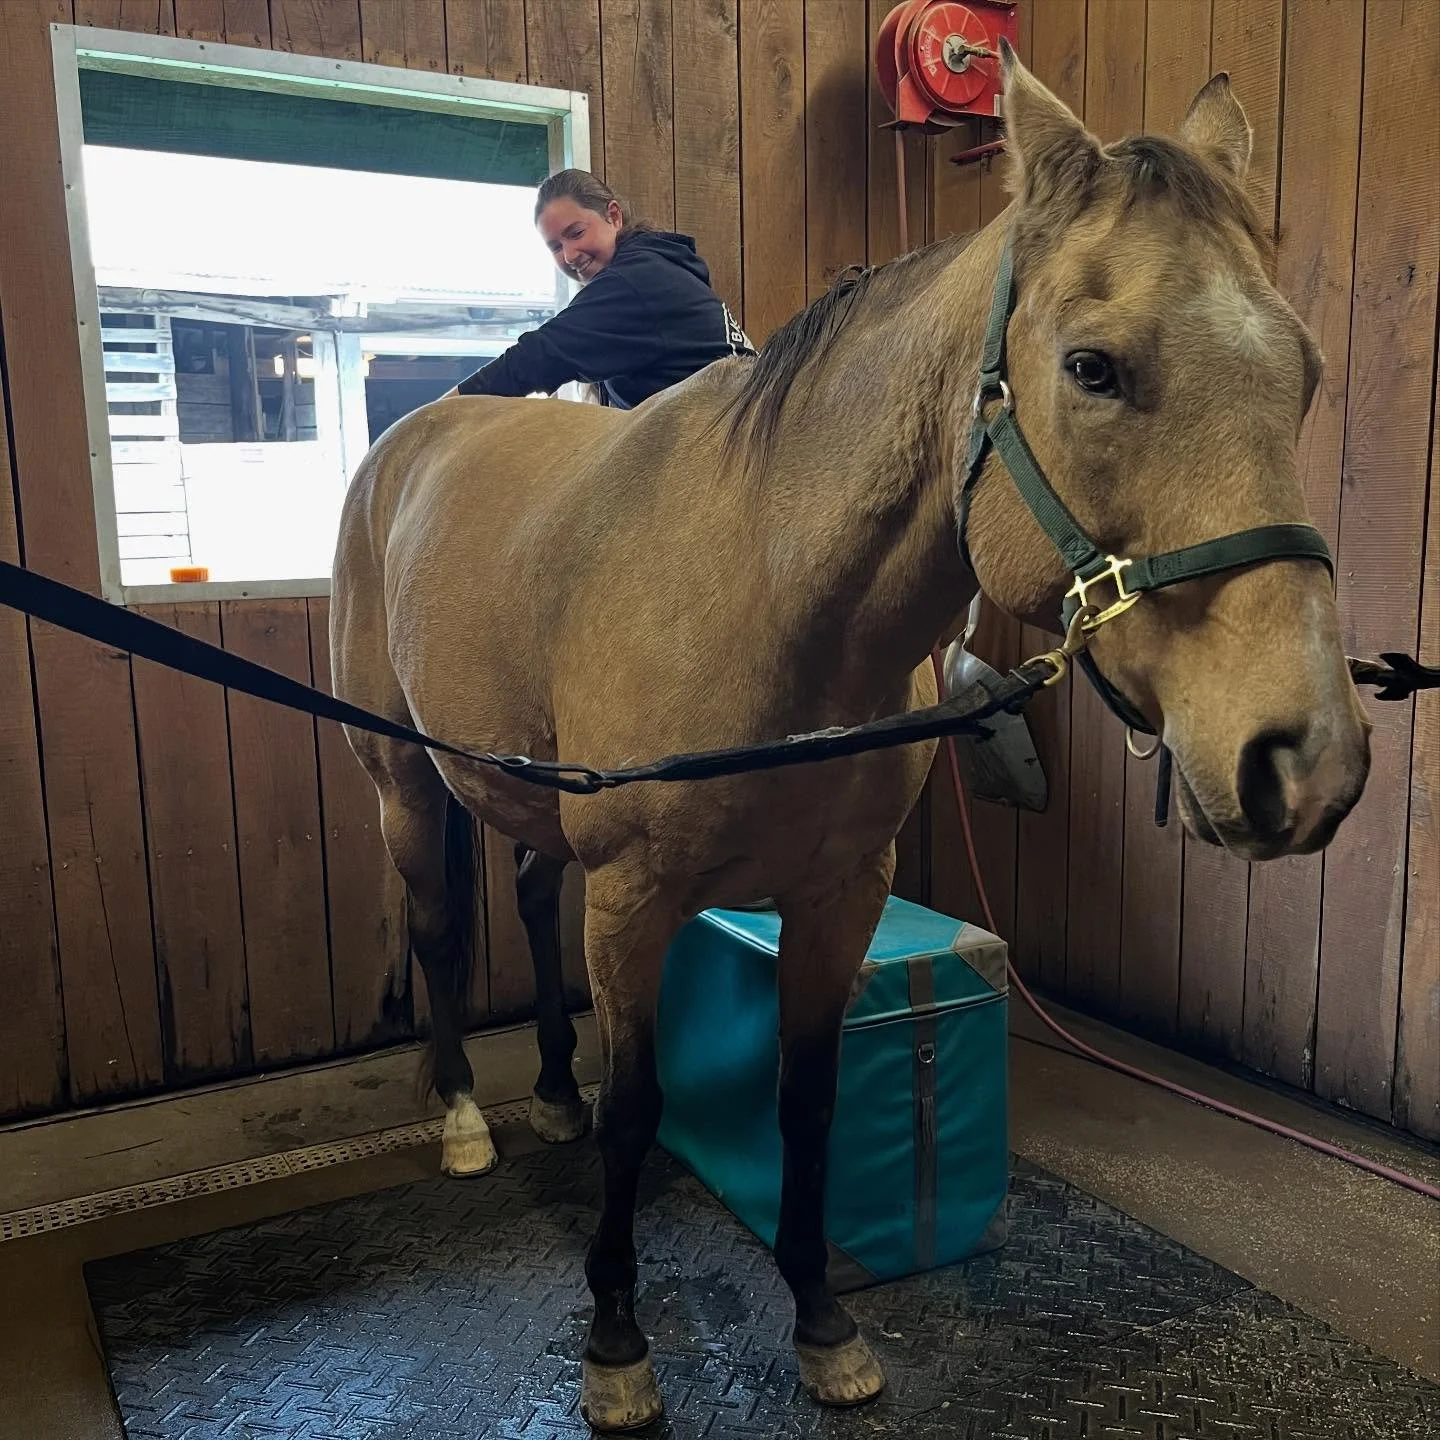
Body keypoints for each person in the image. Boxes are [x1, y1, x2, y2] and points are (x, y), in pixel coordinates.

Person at [449, 169, 754, 409]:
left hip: (722, 458)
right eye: (555, 246)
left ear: (614, 216)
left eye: (576, 233)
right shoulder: (656, 266)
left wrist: (438, 415)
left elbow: (535, 357)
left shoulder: (637, 281)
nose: (569, 255)